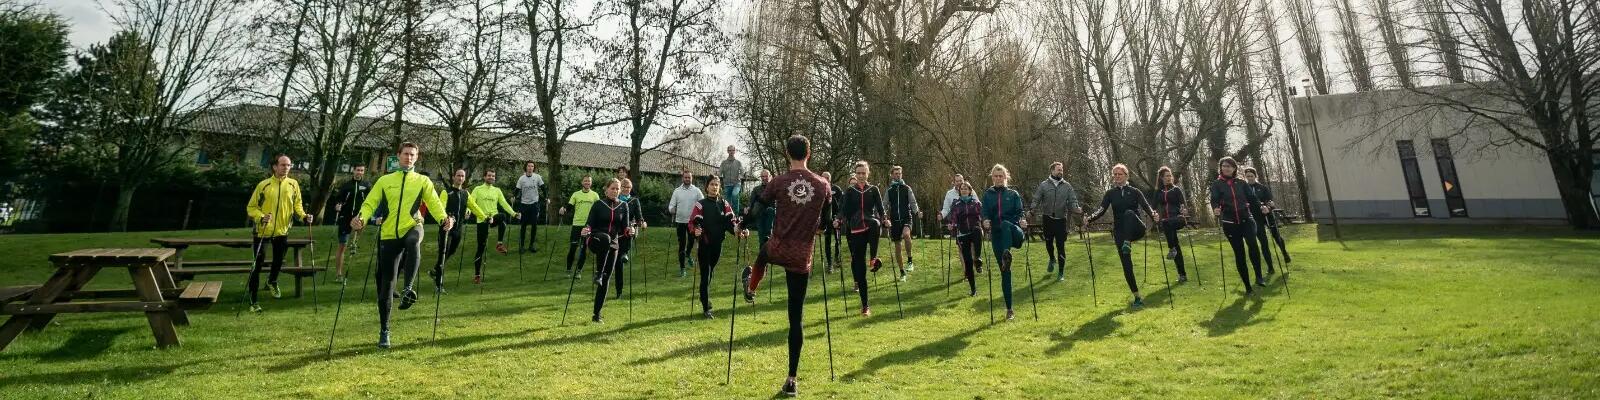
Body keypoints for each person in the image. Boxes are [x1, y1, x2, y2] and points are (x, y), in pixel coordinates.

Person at [735, 135, 828, 397]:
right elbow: (825, 222)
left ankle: (751, 287)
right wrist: (818, 227)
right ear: (808, 153)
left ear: (788, 154)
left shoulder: (778, 181)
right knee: (795, 318)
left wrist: (741, 224)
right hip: (801, 255)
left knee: (762, 255)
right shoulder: (822, 185)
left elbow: (756, 210)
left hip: (778, 247)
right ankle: (791, 379)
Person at [352, 142, 453, 348]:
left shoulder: (423, 181)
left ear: (417, 157)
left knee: (413, 241)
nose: (409, 157)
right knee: (386, 286)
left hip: (412, 224)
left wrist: (444, 218)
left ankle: (408, 289)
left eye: (412, 154)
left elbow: (434, 202)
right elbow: (370, 203)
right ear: (398, 156)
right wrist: (361, 218)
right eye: (405, 154)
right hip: (388, 234)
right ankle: (384, 330)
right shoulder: (385, 180)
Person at [244, 154, 312, 312]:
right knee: (257, 265)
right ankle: (253, 300)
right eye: (283, 165)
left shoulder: (294, 184)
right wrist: (261, 217)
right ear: (275, 167)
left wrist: (304, 216)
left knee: (278, 261)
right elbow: (251, 207)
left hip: (282, 231)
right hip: (263, 231)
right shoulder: (264, 185)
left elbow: (298, 205)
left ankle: (272, 281)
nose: (286, 168)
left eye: (289, 165)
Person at [1086, 164, 1156, 308]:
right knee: (1126, 264)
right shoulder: (1110, 193)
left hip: (1137, 228)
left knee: (1129, 213)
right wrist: (1089, 218)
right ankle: (1137, 296)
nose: (1117, 176)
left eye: (1120, 174)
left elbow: (1146, 206)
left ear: (1126, 175)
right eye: (1115, 174)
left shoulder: (1135, 191)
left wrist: (1154, 215)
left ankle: (1127, 242)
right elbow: (1101, 209)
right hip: (1120, 231)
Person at [835, 161, 887, 316]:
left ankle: (873, 258)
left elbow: (881, 209)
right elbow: (843, 210)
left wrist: (886, 219)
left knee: (876, 223)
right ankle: (865, 306)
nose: (861, 176)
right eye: (858, 173)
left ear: (868, 173)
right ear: (855, 174)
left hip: (870, 225)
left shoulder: (874, 190)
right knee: (860, 271)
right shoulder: (850, 191)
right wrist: (838, 220)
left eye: (864, 173)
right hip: (856, 230)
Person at [1210, 157, 1266, 293]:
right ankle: (1247, 286)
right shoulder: (1216, 184)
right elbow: (1214, 200)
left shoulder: (1241, 183)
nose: (1226, 168)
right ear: (1221, 168)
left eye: (1229, 166)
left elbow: (1252, 199)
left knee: (1253, 244)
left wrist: (1262, 206)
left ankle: (1259, 277)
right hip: (1230, 223)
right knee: (1239, 253)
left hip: (1246, 220)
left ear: (1234, 168)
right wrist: (1216, 208)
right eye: (1224, 166)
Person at [581, 178, 633, 324]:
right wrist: (586, 229)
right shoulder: (598, 204)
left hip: (613, 245)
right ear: (606, 189)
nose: (615, 191)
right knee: (605, 238)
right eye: (613, 188)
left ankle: (597, 314)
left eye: (617, 189)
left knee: (606, 278)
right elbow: (589, 223)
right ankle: (598, 272)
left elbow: (625, 228)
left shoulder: (623, 206)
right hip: (596, 240)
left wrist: (631, 230)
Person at [980, 164, 1026, 320]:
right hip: (998, 236)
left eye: (1001, 176)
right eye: (995, 176)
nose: (998, 178)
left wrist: (1022, 220)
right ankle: (1009, 309)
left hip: (1015, 233)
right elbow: (984, 213)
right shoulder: (987, 195)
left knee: (1006, 224)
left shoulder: (1013, 194)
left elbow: (1020, 213)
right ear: (992, 178)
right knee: (1005, 271)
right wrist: (985, 221)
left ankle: (1007, 254)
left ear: (1006, 177)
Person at [689, 176, 736, 318]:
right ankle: (706, 307)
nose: (714, 187)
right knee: (705, 274)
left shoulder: (724, 203)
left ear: (719, 187)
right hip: (704, 244)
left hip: (718, 245)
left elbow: (731, 222)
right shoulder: (700, 204)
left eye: (717, 185)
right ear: (707, 187)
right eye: (712, 184)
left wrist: (739, 231)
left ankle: (703, 296)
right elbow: (692, 223)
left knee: (710, 273)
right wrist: (695, 230)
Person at [1031, 162, 1081, 281]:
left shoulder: (1067, 186)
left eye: (1061, 170)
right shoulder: (1043, 185)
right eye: (1058, 170)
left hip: (1061, 220)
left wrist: (1076, 208)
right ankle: (1052, 259)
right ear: (1052, 170)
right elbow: (1036, 198)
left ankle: (1061, 273)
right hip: (1047, 219)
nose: (1061, 172)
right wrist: (1032, 210)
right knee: (1048, 243)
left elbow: (1073, 200)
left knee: (1061, 246)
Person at [432, 169, 480, 291]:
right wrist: (445, 218)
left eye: (462, 176)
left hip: (458, 228)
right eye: (458, 175)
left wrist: (485, 217)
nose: (460, 178)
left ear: (464, 179)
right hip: (446, 228)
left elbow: (474, 207)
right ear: (454, 177)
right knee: (443, 253)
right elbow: (441, 207)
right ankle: (439, 284)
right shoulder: (446, 192)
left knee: (451, 251)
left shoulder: (465, 193)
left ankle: (436, 270)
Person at [469, 170, 520, 284]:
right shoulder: (478, 189)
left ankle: (499, 244)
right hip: (482, 220)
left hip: (494, 218)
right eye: (489, 176)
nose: (491, 177)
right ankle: (477, 275)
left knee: (502, 216)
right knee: (480, 249)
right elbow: (471, 203)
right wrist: (467, 212)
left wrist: (514, 214)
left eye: (493, 176)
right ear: (484, 177)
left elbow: (504, 203)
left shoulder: (497, 190)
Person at [1243, 167, 1291, 265]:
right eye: (1248, 176)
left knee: (1276, 236)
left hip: (1267, 215)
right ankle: (1270, 266)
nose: (1250, 178)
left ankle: (1284, 253)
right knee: (1263, 241)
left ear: (1255, 176)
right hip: (1256, 218)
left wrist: (1268, 208)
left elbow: (1270, 201)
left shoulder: (1262, 188)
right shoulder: (1245, 189)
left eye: (1251, 176)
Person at [741, 169, 776, 300]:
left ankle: (768, 243)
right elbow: (751, 202)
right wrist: (748, 208)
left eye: (766, 176)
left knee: (771, 211)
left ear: (770, 176)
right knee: (763, 241)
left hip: (773, 216)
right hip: (760, 216)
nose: (764, 178)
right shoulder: (756, 189)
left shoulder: (775, 187)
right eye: (762, 176)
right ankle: (762, 264)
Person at [332, 165, 371, 281]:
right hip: (345, 217)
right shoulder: (346, 186)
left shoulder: (367, 185)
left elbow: (371, 200)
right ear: (353, 171)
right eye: (358, 170)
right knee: (342, 245)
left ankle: (355, 242)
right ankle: (338, 274)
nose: (359, 172)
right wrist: (338, 205)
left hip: (359, 216)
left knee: (362, 224)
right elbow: (338, 199)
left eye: (362, 170)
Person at [945, 180, 984, 296]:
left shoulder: (976, 203)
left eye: (966, 188)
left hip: (974, 230)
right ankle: (973, 289)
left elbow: (982, 215)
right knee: (967, 262)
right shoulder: (956, 204)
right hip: (962, 233)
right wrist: (952, 225)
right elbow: (953, 218)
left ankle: (977, 258)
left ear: (970, 191)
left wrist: (985, 221)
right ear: (959, 191)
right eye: (962, 189)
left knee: (978, 231)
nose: (964, 190)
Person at [1152, 166, 1190, 282]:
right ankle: (1182, 274)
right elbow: (1152, 207)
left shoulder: (1176, 190)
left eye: (1170, 176)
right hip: (1166, 222)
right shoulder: (1158, 192)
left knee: (1166, 222)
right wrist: (1153, 213)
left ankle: (1171, 248)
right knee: (1176, 244)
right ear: (1161, 178)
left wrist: (1184, 211)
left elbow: (1184, 206)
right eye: (1166, 176)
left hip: (1178, 219)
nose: (1169, 178)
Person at [612, 178, 646, 299]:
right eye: (624, 187)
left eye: (629, 187)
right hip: (615, 233)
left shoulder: (634, 201)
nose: (626, 189)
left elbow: (639, 216)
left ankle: (625, 252)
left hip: (629, 231)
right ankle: (618, 291)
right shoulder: (615, 201)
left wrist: (642, 222)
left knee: (621, 259)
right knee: (617, 265)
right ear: (621, 188)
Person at [885, 165, 921, 280]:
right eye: (895, 173)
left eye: (899, 173)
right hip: (895, 221)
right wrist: (884, 216)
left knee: (906, 235)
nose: (898, 175)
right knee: (897, 246)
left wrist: (917, 212)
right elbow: (884, 204)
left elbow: (913, 202)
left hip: (907, 218)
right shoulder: (889, 190)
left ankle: (910, 261)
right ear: (892, 175)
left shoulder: (907, 188)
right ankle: (902, 272)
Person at [667, 170, 703, 277]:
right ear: (682, 178)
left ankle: (688, 254)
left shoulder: (696, 191)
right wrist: (672, 210)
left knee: (691, 241)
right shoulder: (677, 191)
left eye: (689, 177)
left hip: (693, 222)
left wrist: (700, 212)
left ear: (692, 178)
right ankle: (682, 268)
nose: (687, 179)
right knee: (681, 245)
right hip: (680, 222)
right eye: (685, 177)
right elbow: (671, 206)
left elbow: (703, 203)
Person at [560, 175, 599, 274]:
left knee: (583, 249)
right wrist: (563, 209)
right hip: (577, 224)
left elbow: (598, 210)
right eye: (585, 181)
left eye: (589, 181)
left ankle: (578, 271)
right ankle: (568, 269)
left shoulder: (595, 195)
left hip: (588, 226)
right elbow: (569, 207)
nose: (587, 183)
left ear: (591, 183)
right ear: (582, 182)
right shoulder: (576, 194)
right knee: (573, 247)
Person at [515, 161, 545, 253]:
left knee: (534, 225)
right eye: (529, 166)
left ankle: (532, 245)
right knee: (523, 225)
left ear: (534, 168)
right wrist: (514, 197)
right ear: (526, 167)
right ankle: (522, 246)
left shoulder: (537, 177)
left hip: (534, 204)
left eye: (532, 166)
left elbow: (543, 188)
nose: (530, 167)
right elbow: (517, 190)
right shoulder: (521, 178)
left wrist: (547, 198)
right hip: (524, 204)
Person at [818, 172, 842, 273]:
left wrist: (839, 217)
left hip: (836, 219)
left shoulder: (836, 189)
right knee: (827, 242)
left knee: (837, 240)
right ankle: (830, 263)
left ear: (830, 179)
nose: (825, 179)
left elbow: (842, 204)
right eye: (823, 177)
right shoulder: (818, 190)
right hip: (825, 220)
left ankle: (837, 258)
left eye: (827, 178)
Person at [721, 145, 745, 213]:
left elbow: (742, 172)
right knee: (727, 203)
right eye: (730, 150)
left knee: (734, 195)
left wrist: (740, 176)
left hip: (736, 184)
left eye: (733, 150)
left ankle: (736, 217)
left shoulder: (738, 162)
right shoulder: (724, 163)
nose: (731, 152)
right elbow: (720, 172)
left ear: (735, 151)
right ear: (727, 151)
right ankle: (729, 217)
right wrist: (717, 174)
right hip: (727, 184)